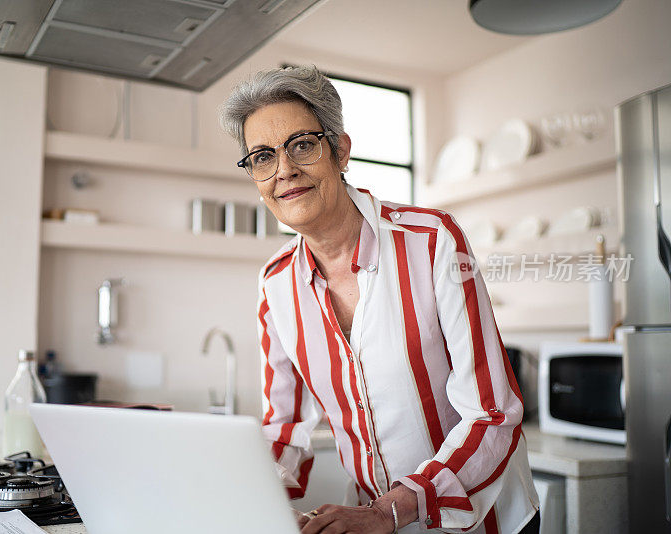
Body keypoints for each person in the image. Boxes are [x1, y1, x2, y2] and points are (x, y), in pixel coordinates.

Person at [219, 65, 539, 534]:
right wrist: (247, 501)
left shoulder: (432, 241)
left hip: (482, 519)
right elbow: (284, 427)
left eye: (302, 145)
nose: (284, 170)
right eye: (262, 157)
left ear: (340, 150)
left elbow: (493, 413)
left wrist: (388, 511)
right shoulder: (275, 283)